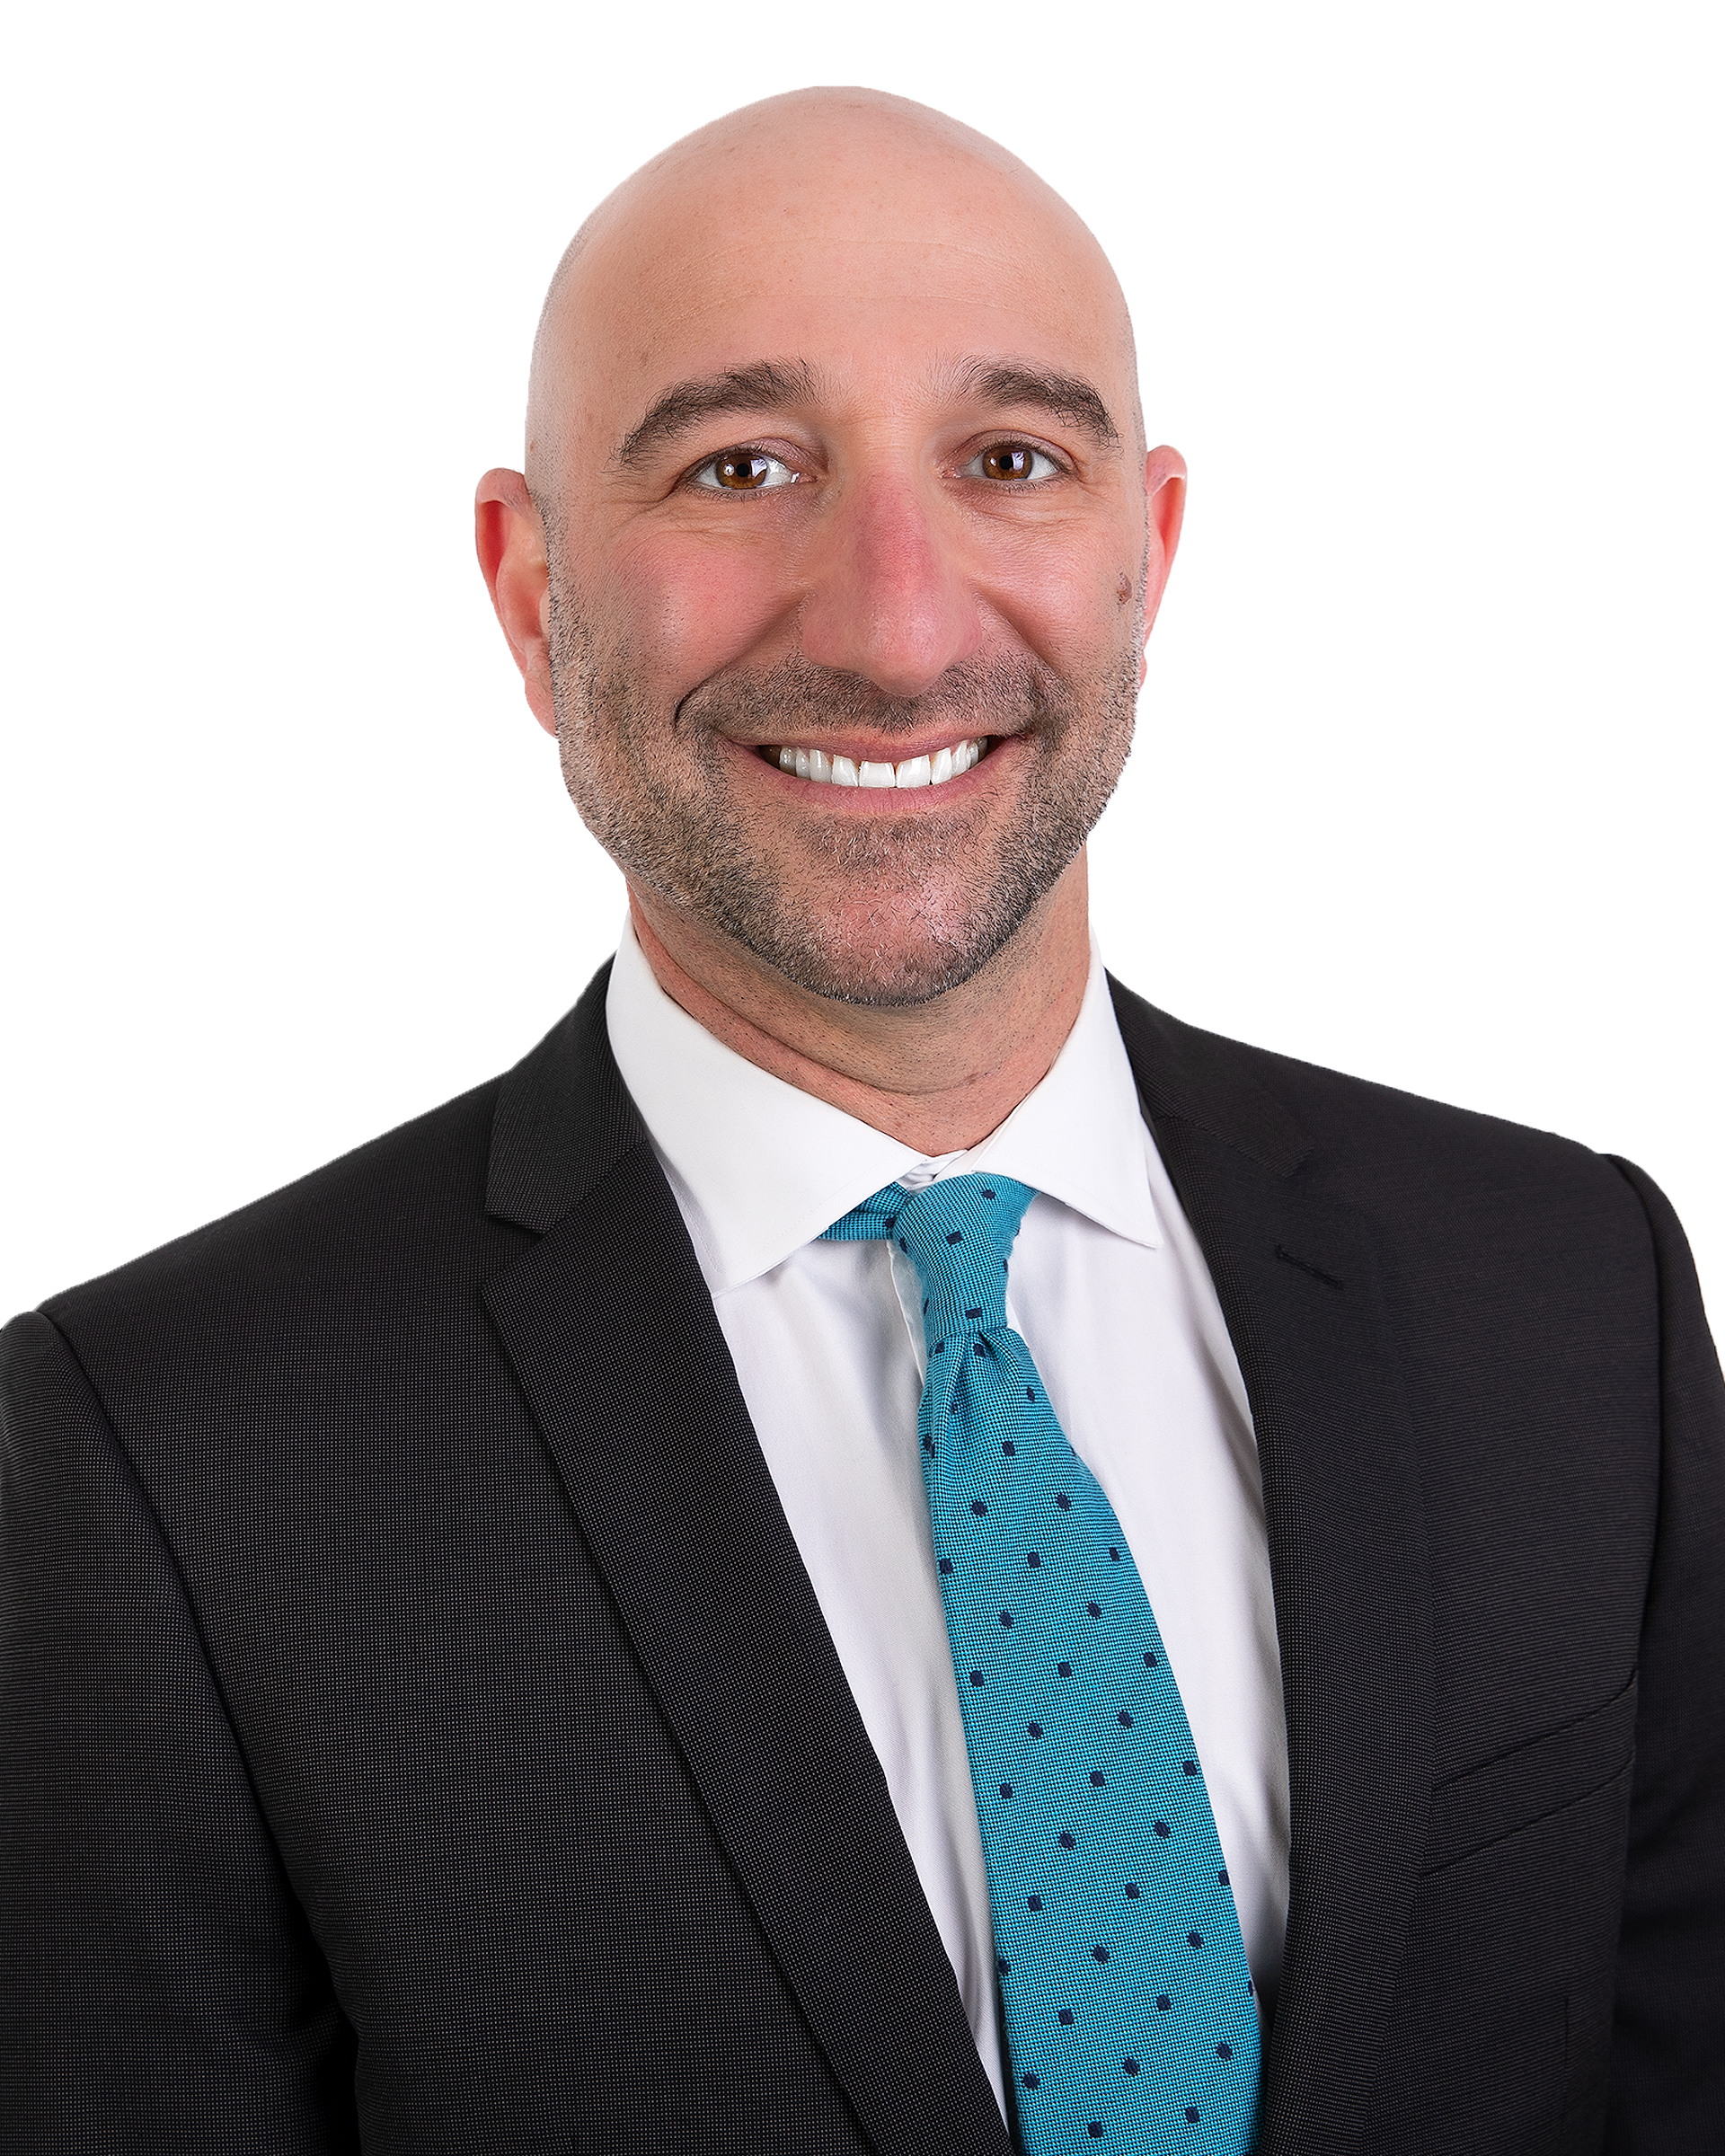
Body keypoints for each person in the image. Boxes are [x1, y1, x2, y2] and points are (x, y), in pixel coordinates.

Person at [2, 84, 1720, 2156]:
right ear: (532, 598)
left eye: (1011, 462)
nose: (898, 628)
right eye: (741, 467)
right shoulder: (162, 1459)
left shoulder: (1572, 1297)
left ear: (1148, 555)